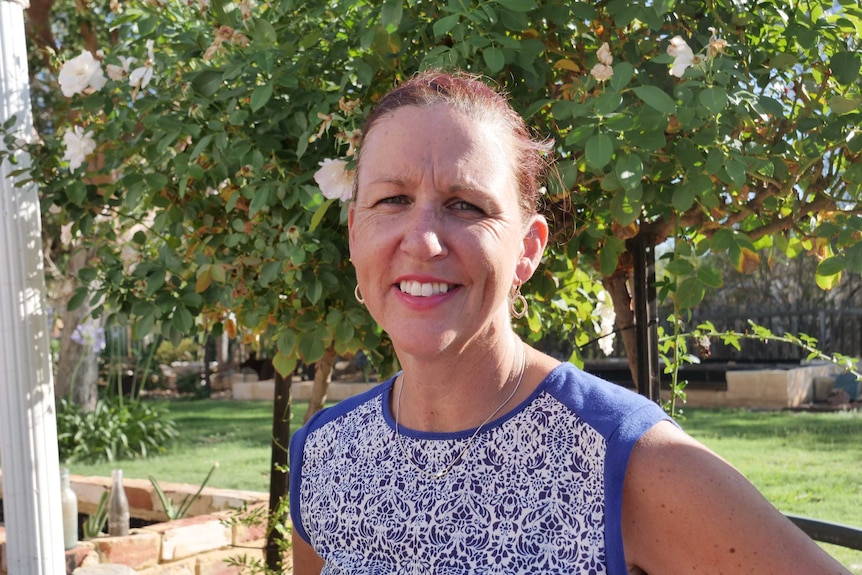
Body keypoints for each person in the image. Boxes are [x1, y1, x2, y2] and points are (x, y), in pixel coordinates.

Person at [289, 70, 850, 575]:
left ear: (527, 249)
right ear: (354, 235)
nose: (424, 240)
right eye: (391, 200)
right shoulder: (323, 454)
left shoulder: (629, 458)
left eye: (467, 206)